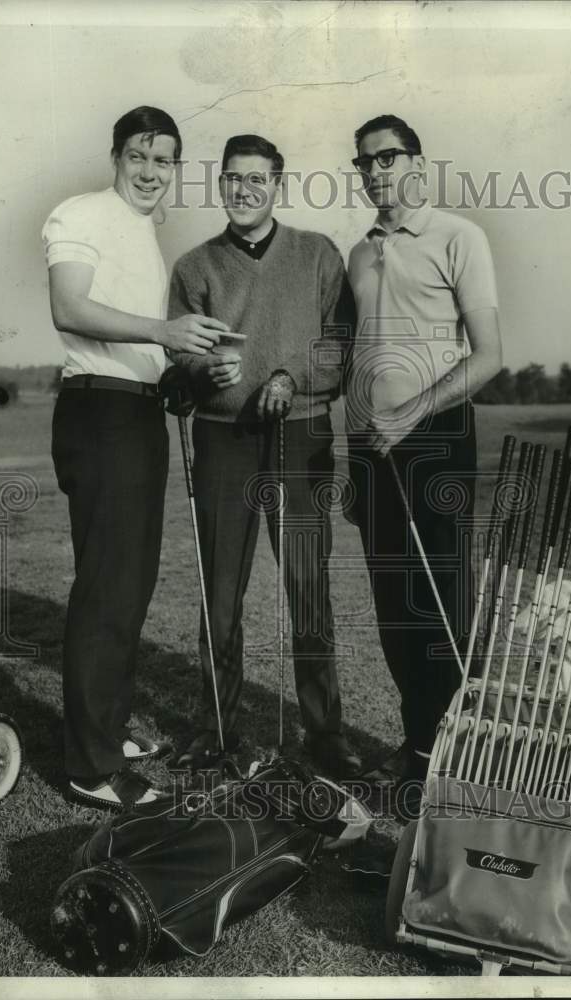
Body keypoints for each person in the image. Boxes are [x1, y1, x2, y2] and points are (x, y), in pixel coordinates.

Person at [42, 106, 230, 809]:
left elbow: (143, 346)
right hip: (99, 414)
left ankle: (107, 731)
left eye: (164, 160)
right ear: (115, 156)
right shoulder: (83, 212)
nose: (151, 172)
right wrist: (163, 330)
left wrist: (177, 372)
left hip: (134, 413)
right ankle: (91, 770)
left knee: (128, 587)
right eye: (138, 157)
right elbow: (69, 306)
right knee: (107, 590)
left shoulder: (141, 233)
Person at [167, 133, 361, 779]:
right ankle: (216, 726)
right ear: (219, 184)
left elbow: (339, 344)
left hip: (300, 434)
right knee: (219, 591)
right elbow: (180, 350)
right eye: (232, 179)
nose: (244, 190)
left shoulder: (317, 255)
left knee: (307, 586)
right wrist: (199, 371)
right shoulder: (195, 267)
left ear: (277, 185)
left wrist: (291, 379)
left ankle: (324, 732)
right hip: (223, 440)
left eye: (257, 179)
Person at [345, 114, 502, 792]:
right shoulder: (357, 252)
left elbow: (492, 355)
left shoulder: (458, 236)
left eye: (387, 158)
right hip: (370, 446)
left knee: (440, 602)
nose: (376, 172)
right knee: (393, 606)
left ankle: (458, 754)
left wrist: (409, 413)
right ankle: (416, 748)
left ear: (416, 162)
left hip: (434, 437)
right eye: (365, 163)